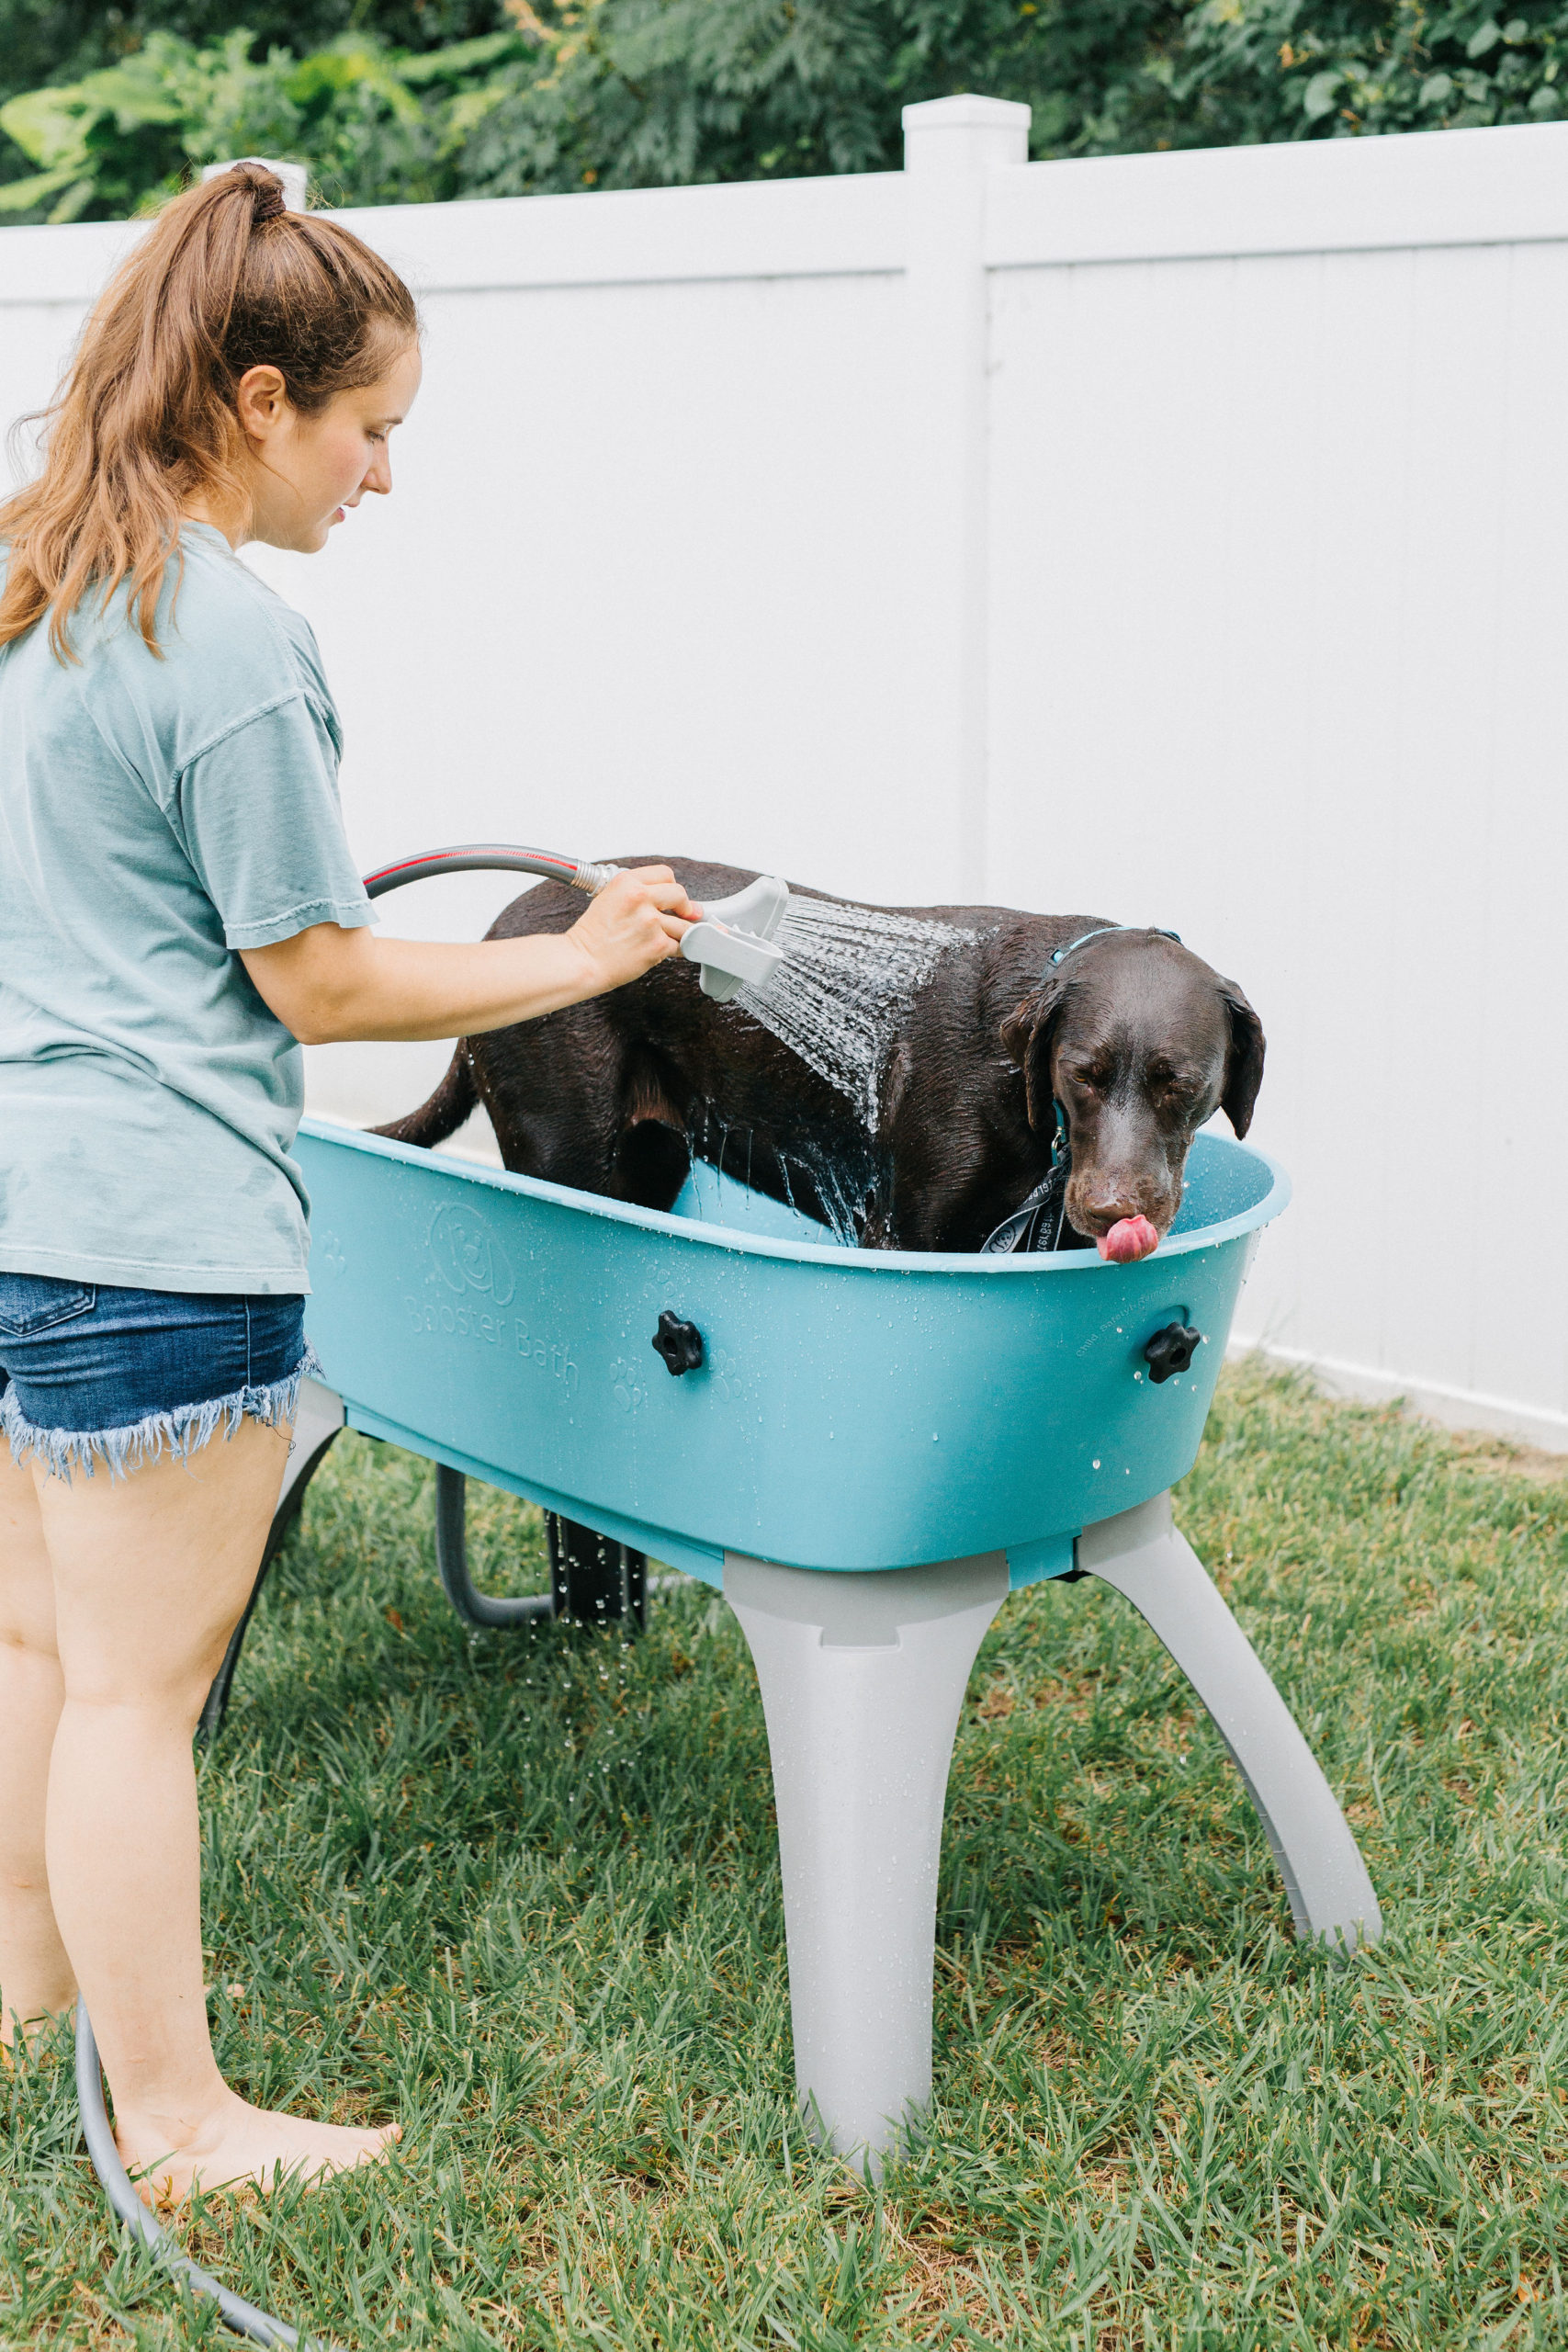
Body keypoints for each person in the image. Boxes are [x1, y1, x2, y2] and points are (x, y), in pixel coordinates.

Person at [0, 163, 694, 2202]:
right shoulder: (226, 638)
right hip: (152, 1230)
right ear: (257, 401)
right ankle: (179, 2118)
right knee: (138, 1695)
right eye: (370, 427)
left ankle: (29, 2000)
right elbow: (316, 975)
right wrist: (584, 957)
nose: (383, 473)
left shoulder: (34, 580)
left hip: (16, 1197)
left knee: (35, 1651)